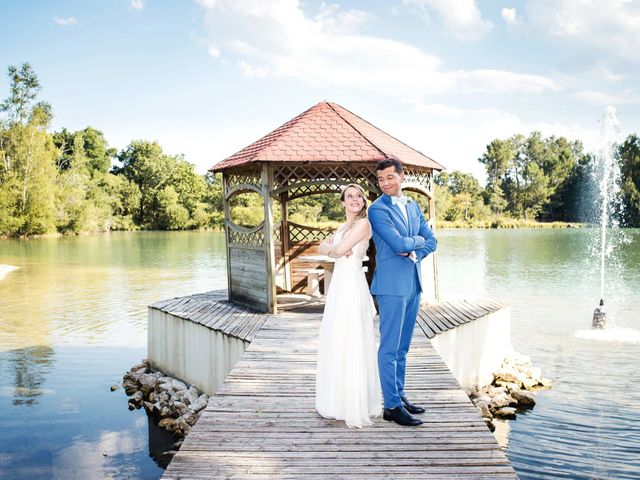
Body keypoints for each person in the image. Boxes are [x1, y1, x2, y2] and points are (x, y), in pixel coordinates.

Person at [368, 158, 437, 427]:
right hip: (391, 288)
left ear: (401, 176)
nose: (385, 183)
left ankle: (399, 394)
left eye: (389, 177)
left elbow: (433, 241)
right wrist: (418, 242)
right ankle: (392, 407)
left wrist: (415, 247)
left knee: (403, 348)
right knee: (389, 348)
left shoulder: (412, 205)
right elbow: (397, 244)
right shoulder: (377, 210)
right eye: (380, 179)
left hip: (413, 285)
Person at [315, 184, 381, 428]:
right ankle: (337, 400)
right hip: (339, 286)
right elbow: (322, 247)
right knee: (338, 337)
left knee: (352, 338)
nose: (355, 199)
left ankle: (354, 402)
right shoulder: (343, 226)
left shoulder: (364, 224)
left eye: (359, 196)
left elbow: (339, 249)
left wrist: (333, 249)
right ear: (342, 202)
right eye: (349, 196)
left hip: (352, 284)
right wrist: (333, 249)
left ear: (364, 202)